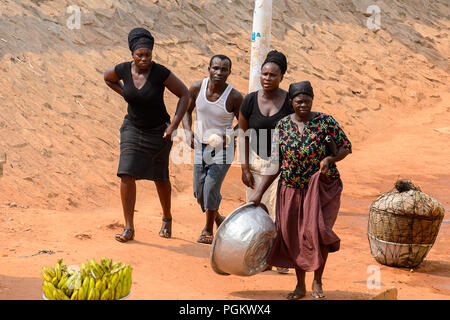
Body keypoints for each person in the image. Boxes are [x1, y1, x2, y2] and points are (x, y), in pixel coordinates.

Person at [248, 81, 352, 299]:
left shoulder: (325, 122)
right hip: (291, 189)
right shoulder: (282, 126)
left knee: (319, 232)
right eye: (299, 101)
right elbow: (275, 164)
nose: (304, 104)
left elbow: (346, 147)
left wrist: (330, 159)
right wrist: (258, 193)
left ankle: (318, 281)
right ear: (291, 102)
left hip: (323, 188)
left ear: (312, 100)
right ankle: (300, 285)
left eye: (307, 100)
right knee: (295, 236)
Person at [103, 28, 189, 242]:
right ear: (132, 54)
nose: (143, 59)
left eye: (147, 55)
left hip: (159, 132)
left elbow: (184, 94)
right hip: (132, 127)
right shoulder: (123, 70)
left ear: (152, 54)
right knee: (126, 172)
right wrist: (126, 94)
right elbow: (107, 77)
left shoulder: (160, 73)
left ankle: (167, 218)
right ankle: (129, 227)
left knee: (160, 177)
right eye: (139, 55)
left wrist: (174, 126)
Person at [238, 50, 293, 273]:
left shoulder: (289, 102)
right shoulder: (250, 100)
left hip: (279, 165)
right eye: (264, 74)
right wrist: (243, 167)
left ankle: (279, 258)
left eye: (272, 75)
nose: (267, 78)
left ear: (281, 77)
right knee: (256, 211)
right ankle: (260, 256)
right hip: (254, 161)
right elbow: (242, 133)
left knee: (278, 212)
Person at [182, 54, 243, 244]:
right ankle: (218, 218)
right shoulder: (196, 87)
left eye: (224, 69)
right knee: (198, 191)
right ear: (208, 68)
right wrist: (187, 131)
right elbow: (186, 110)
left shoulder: (234, 96)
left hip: (223, 149)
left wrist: (229, 137)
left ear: (229, 72)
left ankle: (207, 229)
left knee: (210, 188)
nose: (219, 72)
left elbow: (243, 123)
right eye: (215, 68)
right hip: (201, 144)